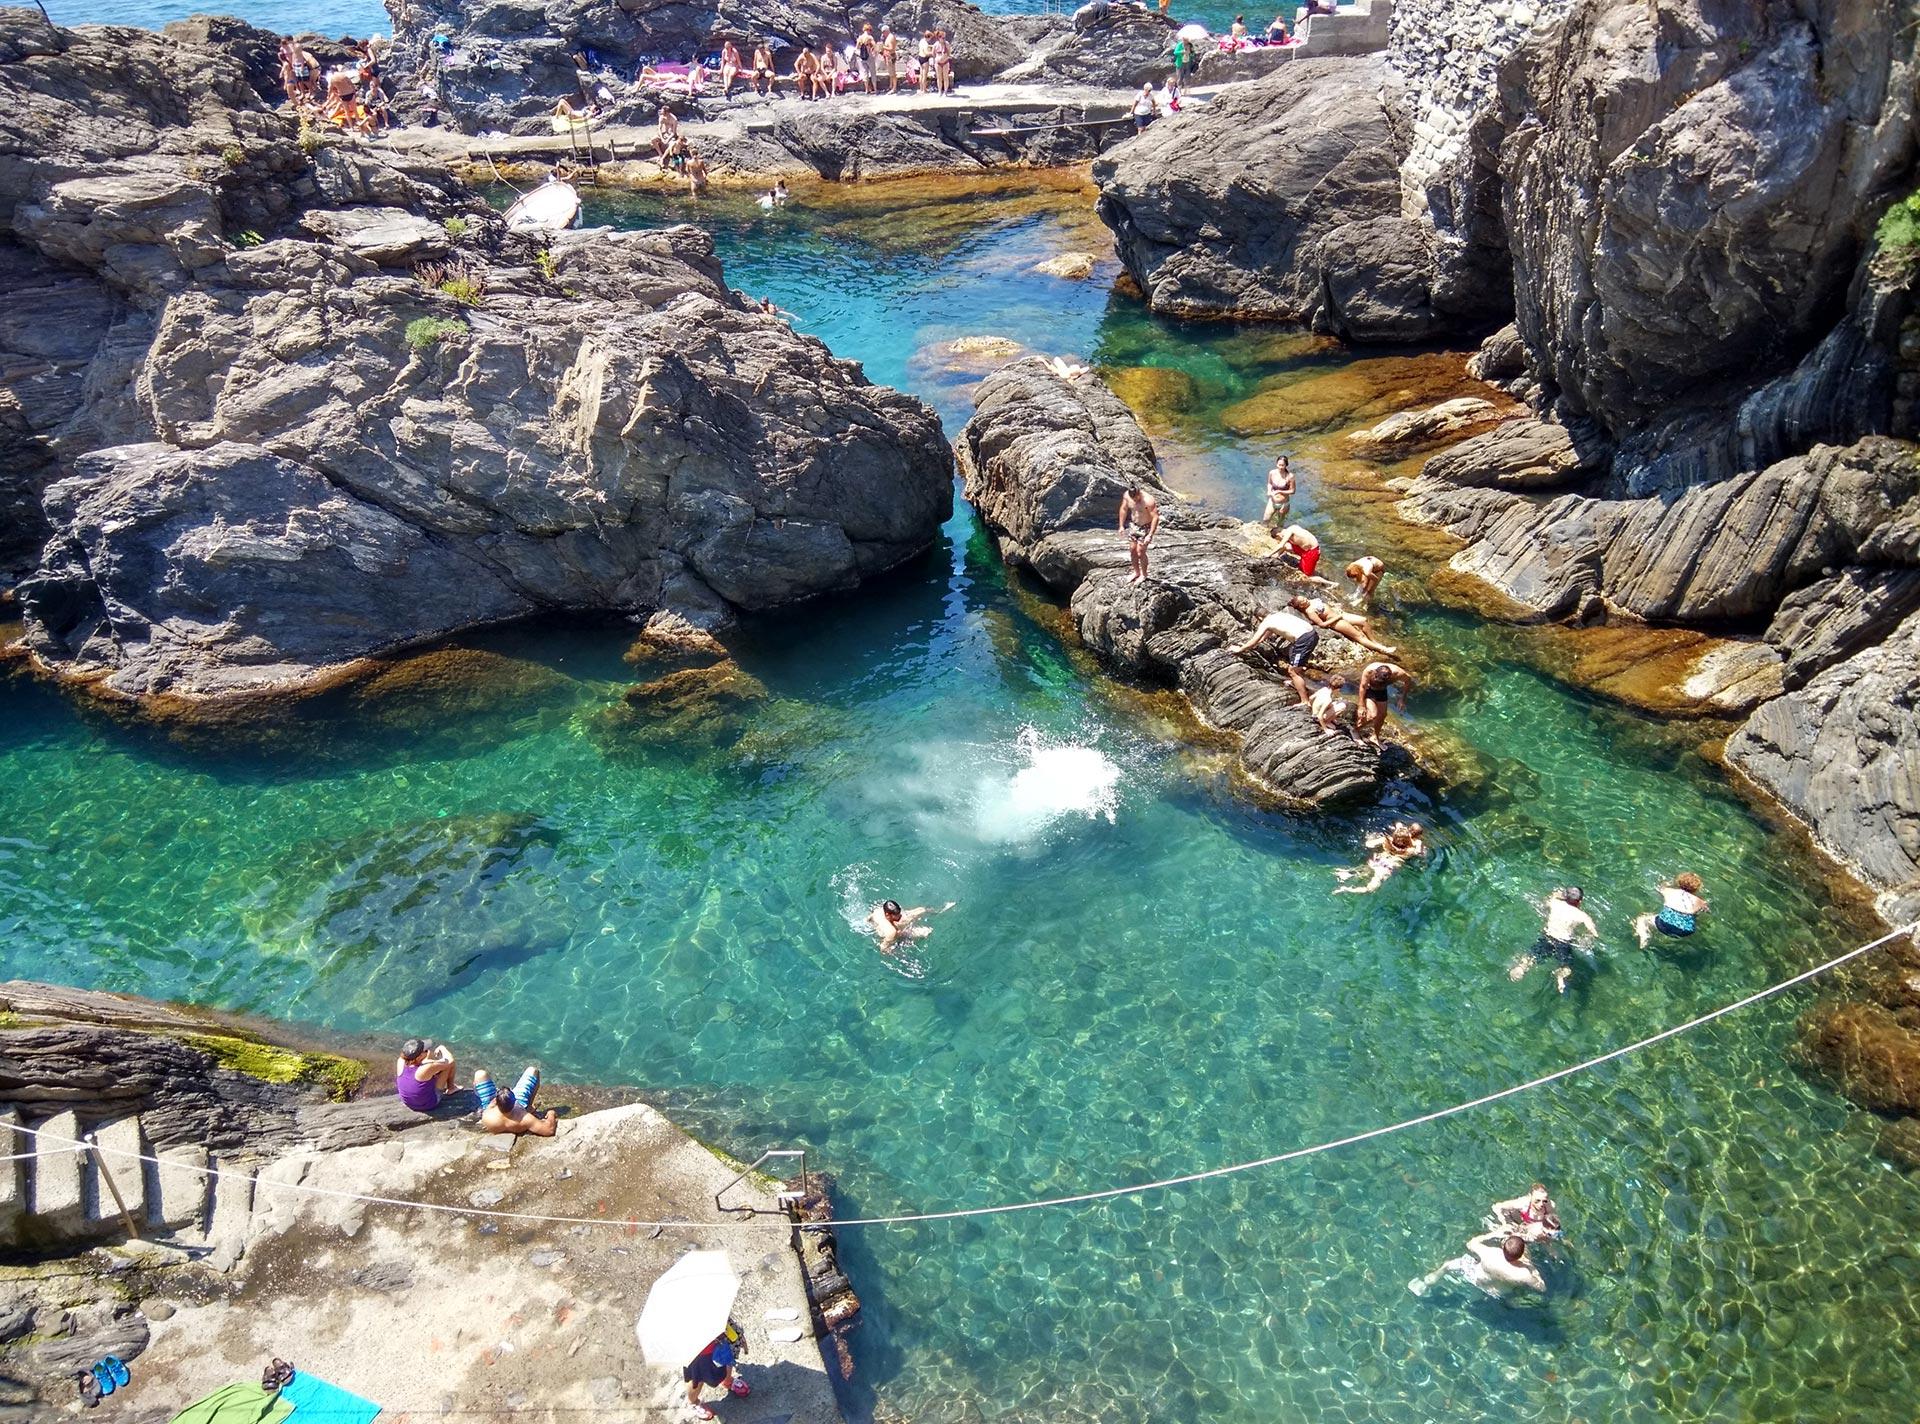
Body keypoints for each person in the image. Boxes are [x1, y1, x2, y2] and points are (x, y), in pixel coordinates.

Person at [1510, 886, 1599, 993]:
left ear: (1565, 896)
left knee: (1531, 956)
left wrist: (1556, 894)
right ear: (1580, 901)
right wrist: (1587, 938)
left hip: (1547, 937)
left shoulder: (1554, 903)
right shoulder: (1582, 916)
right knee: (1566, 968)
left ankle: (1521, 967)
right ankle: (1560, 978)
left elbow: (1544, 903)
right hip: (1563, 943)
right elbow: (1594, 933)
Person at [1410, 1232, 1547, 1301]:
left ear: (1503, 1247)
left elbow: (1471, 1244)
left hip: (1475, 1277)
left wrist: (1493, 1234)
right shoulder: (1523, 1273)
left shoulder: (1491, 1253)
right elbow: (1541, 1288)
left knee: (1448, 1265)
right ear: (1521, 1254)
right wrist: (1531, 1265)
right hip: (1496, 1292)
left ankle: (1428, 1281)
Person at [1229, 604, 1319, 703]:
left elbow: (1255, 639)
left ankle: (1305, 701)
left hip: (1303, 640)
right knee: (1294, 659)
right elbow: (1266, 634)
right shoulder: (1277, 614)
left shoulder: (1266, 623)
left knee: (1293, 671)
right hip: (1312, 633)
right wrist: (1257, 642)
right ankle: (1297, 683)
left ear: (1259, 617)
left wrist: (1240, 649)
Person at [1334, 821, 1425, 895]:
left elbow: (1368, 844)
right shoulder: (1409, 850)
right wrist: (1419, 844)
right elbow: (1420, 854)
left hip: (1377, 860)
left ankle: (1346, 874)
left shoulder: (1386, 840)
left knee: (1365, 872)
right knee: (1370, 889)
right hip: (1387, 867)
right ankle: (1346, 889)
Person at [1294, 595, 1396, 657]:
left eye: (1305, 598)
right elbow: (1322, 624)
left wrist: (1337, 612)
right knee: (1359, 636)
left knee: (1364, 621)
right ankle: (1382, 649)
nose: (1306, 600)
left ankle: (1373, 641)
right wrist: (1337, 617)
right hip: (1335, 621)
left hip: (1339, 614)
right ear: (1301, 606)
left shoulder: (1310, 602)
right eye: (1303, 602)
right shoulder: (1310, 611)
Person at [472, 1066, 557, 1136]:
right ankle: (529, 1107)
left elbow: (489, 1107)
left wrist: (492, 1104)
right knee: (533, 1070)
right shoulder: (524, 1117)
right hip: (518, 1110)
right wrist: (551, 1114)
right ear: (515, 1101)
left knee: (480, 1074)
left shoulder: (487, 1115)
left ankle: (477, 1093)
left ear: (496, 1102)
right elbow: (549, 1130)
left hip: (494, 1118)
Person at [683, 1332, 749, 1421]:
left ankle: (728, 1381)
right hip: (698, 1351)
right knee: (697, 1379)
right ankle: (693, 1402)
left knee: (727, 1359)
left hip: (721, 1336)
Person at [1635, 872, 1708, 947]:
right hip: (1686, 931)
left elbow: (1660, 888)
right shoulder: (1700, 902)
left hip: (1664, 924)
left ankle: (1644, 935)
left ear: (1678, 883)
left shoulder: (1669, 891)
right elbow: (1705, 911)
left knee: (1642, 919)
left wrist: (1665, 883)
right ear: (1696, 888)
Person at [1353, 659, 1411, 742]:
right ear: (1375, 673)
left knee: (1382, 715)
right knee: (1372, 715)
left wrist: (1402, 699)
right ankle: (1355, 730)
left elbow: (1408, 681)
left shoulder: (1398, 673)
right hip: (1369, 689)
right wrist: (1361, 705)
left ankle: (1375, 737)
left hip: (1382, 691)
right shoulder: (1369, 670)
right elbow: (1362, 687)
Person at [395, 1038, 455, 1112]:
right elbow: (450, 1061)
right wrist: (442, 1048)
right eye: (426, 1051)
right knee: (447, 1067)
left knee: (435, 1070)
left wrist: (428, 1060)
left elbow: (421, 1067)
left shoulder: (401, 1061)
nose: (428, 1051)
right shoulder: (426, 1067)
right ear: (419, 1056)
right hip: (427, 1104)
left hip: (407, 1102)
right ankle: (451, 1088)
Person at [1117, 483, 1161, 583]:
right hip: (1134, 525)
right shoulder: (1127, 496)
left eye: (1136, 498)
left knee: (1140, 552)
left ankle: (1144, 574)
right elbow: (1123, 509)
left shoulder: (1148, 501)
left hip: (1145, 527)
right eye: (1132, 498)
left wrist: (1150, 534)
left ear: (1139, 493)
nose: (1134, 501)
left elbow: (1155, 517)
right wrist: (1121, 525)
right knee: (1132, 550)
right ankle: (1136, 572)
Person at [871, 898, 954, 949]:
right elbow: (883, 947)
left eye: (899, 913)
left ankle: (938, 910)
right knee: (926, 931)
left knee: (921, 910)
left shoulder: (878, 911)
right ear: (887, 915)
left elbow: (869, 918)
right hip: (894, 934)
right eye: (897, 915)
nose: (900, 916)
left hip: (890, 924)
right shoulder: (891, 932)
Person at [1492, 1183, 1562, 1240]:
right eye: (1537, 1201)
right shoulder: (1523, 1203)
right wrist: (1504, 1223)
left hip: (1538, 1231)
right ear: (1530, 1196)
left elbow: (1553, 1222)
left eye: (1544, 1201)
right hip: (1519, 1227)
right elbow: (1496, 1206)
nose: (1541, 1204)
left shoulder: (1550, 1205)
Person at [1263, 456, 1295, 530]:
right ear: (1276, 464)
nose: (1280, 467)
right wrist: (1269, 491)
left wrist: (1280, 491)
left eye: (1282, 465)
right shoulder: (1272, 473)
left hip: (1283, 504)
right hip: (1272, 501)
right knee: (1266, 519)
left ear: (1286, 465)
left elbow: (1293, 491)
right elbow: (1269, 483)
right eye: (1279, 465)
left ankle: (1277, 536)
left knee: (1280, 523)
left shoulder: (1290, 476)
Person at [856, 23, 878, 92]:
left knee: (865, 73)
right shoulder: (869, 37)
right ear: (869, 30)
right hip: (869, 57)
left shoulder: (860, 37)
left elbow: (857, 47)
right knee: (873, 73)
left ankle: (866, 89)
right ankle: (875, 89)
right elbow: (875, 46)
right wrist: (874, 52)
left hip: (862, 57)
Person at [879, 26, 901, 93]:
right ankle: (891, 86)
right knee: (890, 73)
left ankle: (894, 88)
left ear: (886, 31)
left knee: (893, 73)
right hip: (888, 56)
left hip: (891, 56)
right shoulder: (888, 37)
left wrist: (883, 47)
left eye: (883, 32)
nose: (883, 34)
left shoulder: (891, 37)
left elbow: (891, 48)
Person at [933, 30, 953, 96]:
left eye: (944, 38)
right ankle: (939, 91)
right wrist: (937, 58)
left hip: (945, 62)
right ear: (939, 38)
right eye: (943, 38)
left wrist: (945, 57)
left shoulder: (946, 44)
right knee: (939, 77)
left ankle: (945, 91)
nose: (944, 39)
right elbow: (933, 54)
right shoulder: (936, 45)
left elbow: (949, 53)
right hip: (938, 63)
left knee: (945, 77)